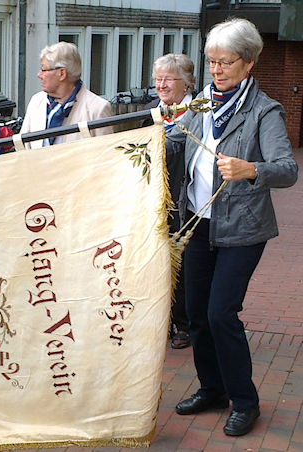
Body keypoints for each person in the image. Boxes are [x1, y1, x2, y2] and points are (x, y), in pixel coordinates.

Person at [167, 18, 298, 436]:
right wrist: (158, 132)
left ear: (250, 63)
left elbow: (287, 170)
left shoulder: (265, 111)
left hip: (243, 228)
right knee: (198, 316)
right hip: (198, 222)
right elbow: (176, 142)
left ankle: (245, 400)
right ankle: (212, 390)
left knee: (222, 313)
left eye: (226, 62)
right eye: (211, 61)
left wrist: (251, 168)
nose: (217, 70)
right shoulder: (202, 102)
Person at [143, 53, 196, 350]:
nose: (161, 85)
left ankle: (184, 323)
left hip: (183, 198)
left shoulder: (197, 115)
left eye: (168, 79)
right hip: (153, 200)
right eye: (157, 79)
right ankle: (161, 321)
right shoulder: (151, 111)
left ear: (186, 83)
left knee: (183, 262)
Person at [20, 41, 113, 148]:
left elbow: (105, 156)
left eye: (43, 69)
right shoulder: (36, 101)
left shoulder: (97, 108)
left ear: (62, 73)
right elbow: (23, 148)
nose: (39, 75)